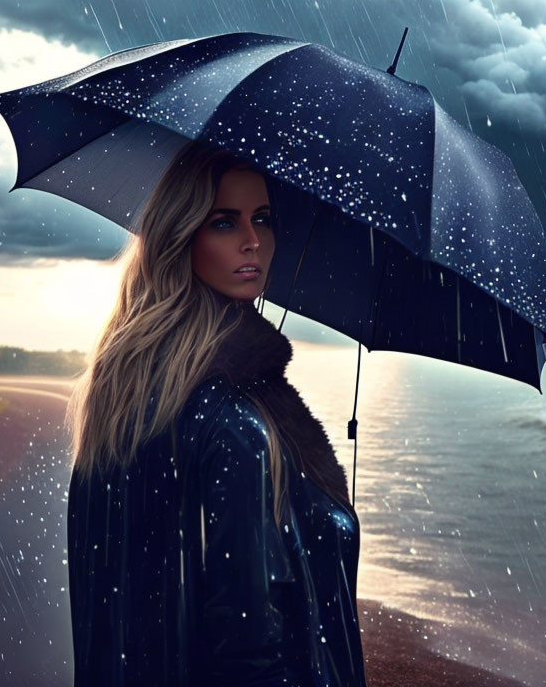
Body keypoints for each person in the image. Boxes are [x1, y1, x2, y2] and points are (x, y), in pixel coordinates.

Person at [65, 139, 367, 686]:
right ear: (182, 237)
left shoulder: (120, 400)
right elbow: (247, 651)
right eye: (225, 223)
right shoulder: (233, 427)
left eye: (263, 219)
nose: (253, 242)